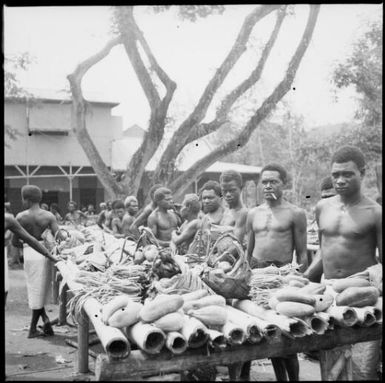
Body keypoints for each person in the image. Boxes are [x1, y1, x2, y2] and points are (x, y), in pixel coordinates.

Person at [304, 146, 382, 380]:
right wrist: (304, 278)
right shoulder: (322, 207)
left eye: (347, 174)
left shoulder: (375, 212)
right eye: (335, 174)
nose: (340, 180)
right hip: (329, 296)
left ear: (363, 173)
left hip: (362, 298)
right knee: (331, 368)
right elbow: (322, 251)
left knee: (361, 370)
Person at [244, 163, 308, 381]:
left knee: (287, 335)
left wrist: (298, 280)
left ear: (284, 184)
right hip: (258, 275)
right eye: (264, 181)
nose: (268, 185)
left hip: (282, 275)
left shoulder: (295, 213)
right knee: (269, 331)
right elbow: (248, 251)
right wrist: (246, 275)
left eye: (274, 181)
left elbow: (302, 254)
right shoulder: (253, 213)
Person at [11, 185, 61, 338]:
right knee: (41, 289)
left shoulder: (20, 217)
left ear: (26, 199)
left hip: (30, 254)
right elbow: (59, 237)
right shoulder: (48, 216)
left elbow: (15, 242)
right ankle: (44, 320)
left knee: (34, 289)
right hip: (45, 254)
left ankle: (33, 328)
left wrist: (26, 245)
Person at [4, 213, 60, 306]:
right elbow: (29, 239)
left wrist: (49, 256)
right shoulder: (9, 218)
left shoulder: (10, 218)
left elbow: (26, 240)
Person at [219, 170, 248, 244]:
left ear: (241, 189)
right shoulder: (226, 211)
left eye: (232, 190)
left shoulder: (243, 213)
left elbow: (236, 245)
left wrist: (218, 256)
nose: (228, 194)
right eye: (224, 191)